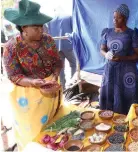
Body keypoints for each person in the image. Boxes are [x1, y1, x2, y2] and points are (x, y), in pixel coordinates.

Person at [3, 0, 62, 149]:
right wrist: (33, 82)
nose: (41, 30)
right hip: (27, 97)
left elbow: (57, 61)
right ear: (24, 28)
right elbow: (13, 75)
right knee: (33, 133)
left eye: (41, 26)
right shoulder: (12, 47)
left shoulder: (48, 40)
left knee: (54, 126)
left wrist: (54, 75)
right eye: (36, 27)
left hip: (51, 90)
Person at [99, 4, 138, 114]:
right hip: (110, 71)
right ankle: (109, 119)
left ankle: (125, 121)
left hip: (126, 72)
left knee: (127, 96)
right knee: (110, 94)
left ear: (125, 18)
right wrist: (106, 55)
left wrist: (122, 58)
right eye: (114, 17)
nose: (115, 20)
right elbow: (102, 49)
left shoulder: (132, 34)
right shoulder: (108, 32)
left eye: (118, 18)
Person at [46, 15, 77, 90]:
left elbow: (48, 32)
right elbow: (75, 30)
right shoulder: (69, 17)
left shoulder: (51, 20)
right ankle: (73, 86)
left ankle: (62, 87)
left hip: (56, 45)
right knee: (74, 64)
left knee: (60, 67)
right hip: (68, 44)